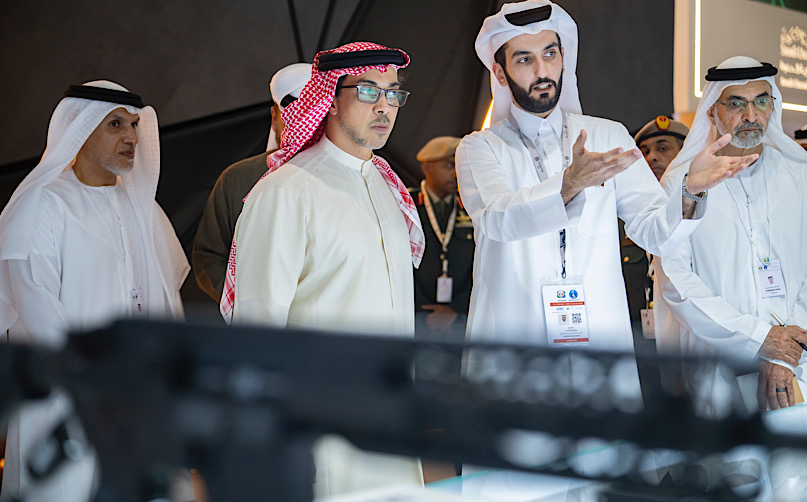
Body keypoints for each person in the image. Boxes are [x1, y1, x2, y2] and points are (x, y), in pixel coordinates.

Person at [456, 0, 756, 384]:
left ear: (564, 57)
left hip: (598, 338)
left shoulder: (607, 135)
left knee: (602, 441)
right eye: (524, 60)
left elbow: (654, 231)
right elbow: (498, 219)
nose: (542, 71)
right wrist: (568, 185)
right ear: (499, 71)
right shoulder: (480, 148)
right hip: (518, 341)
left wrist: (690, 191)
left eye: (550, 54)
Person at [220, 42, 425, 497]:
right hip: (319, 427)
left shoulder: (388, 189)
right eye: (369, 92)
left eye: (393, 94)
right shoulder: (287, 191)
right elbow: (258, 323)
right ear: (330, 96)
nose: (386, 107)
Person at [0, 81, 189, 501]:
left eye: (135, 125)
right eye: (115, 124)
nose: (131, 137)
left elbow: (165, 297)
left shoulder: (145, 210)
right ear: (80, 131)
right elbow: (37, 310)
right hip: (65, 402)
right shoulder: (43, 205)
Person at [654, 57, 807, 417]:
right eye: (736, 103)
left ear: (774, 105)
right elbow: (676, 281)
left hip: (797, 362)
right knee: (732, 470)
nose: (751, 115)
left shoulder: (800, 174)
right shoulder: (682, 183)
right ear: (712, 112)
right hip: (717, 367)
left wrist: (784, 350)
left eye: (761, 101)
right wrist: (760, 339)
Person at [192, 62, 310, 302]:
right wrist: (246, 304)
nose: (300, 124)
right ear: (275, 118)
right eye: (290, 113)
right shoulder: (237, 179)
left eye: (309, 114)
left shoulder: (347, 177)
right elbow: (209, 256)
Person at [620, 117, 690, 331]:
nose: (652, 158)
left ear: (683, 154)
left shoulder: (698, 210)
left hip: (688, 332)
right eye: (644, 152)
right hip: (636, 338)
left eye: (662, 148)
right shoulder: (624, 214)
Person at [410, 136, 474, 340]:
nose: (456, 173)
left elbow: (482, 263)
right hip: (414, 317)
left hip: (459, 319)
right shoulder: (406, 206)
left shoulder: (472, 207)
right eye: (449, 165)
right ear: (427, 168)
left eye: (459, 166)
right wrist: (421, 311)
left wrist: (457, 309)